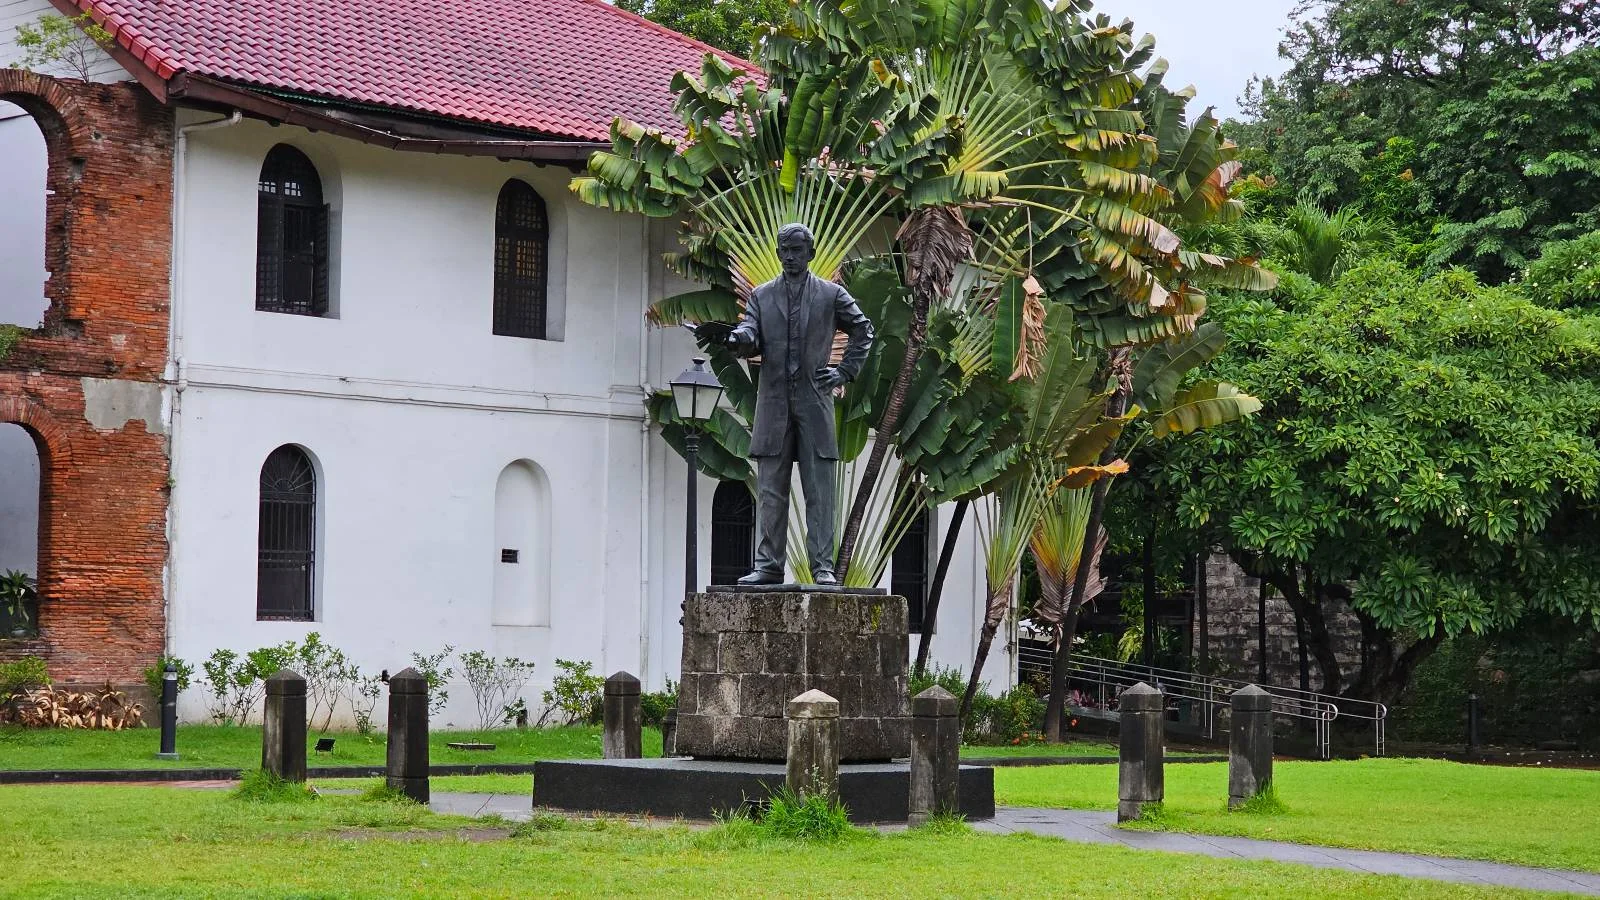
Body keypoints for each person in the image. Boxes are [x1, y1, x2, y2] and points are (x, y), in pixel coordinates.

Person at [706, 223, 874, 585]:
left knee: (820, 491)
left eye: (797, 249)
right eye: (784, 249)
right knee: (770, 489)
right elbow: (751, 333)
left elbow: (864, 329)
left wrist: (845, 371)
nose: (790, 256)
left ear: (810, 253)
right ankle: (768, 565)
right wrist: (738, 339)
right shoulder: (762, 297)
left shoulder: (831, 295)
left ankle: (823, 566)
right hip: (774, 402)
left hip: (814, 400)